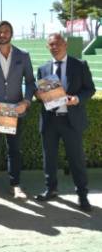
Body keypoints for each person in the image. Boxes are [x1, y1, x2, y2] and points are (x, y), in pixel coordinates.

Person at [35, 33, 95, 212]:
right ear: (48, 47)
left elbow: (90, 89)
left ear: (65, 44)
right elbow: (41, 96)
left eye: (58, 43)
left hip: (71, 121)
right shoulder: (43, 69)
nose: (55, 47)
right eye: (51, 44)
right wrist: (38, 95)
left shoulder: (80, 65)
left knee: (76, 160)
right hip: (50, 121)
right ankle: (51, 189)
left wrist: (77, 99)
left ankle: (82, 195)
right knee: (49, 159)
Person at [0, 20, 35, 199]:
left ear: (11, 33)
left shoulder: (23, 55)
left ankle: (15, 185)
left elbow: (31, 82)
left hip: (14, 112)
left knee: (15, 149)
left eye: (6, 31)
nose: (2, 34)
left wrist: (26, 101)